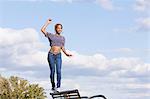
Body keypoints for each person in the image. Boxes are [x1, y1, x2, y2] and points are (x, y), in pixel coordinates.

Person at [41, 19, 72, 92]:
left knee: (59, 71)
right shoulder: (51, 35)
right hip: (51, 55)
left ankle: (58, 87)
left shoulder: (63, 38)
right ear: (56, 29)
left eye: (61, 28)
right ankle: (53, 86)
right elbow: (42, 29)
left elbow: (62, 47)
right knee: (52, 71)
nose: (60, 29)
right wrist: (47, 23)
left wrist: (66, 53)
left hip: (58, 55)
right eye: (58, 28)